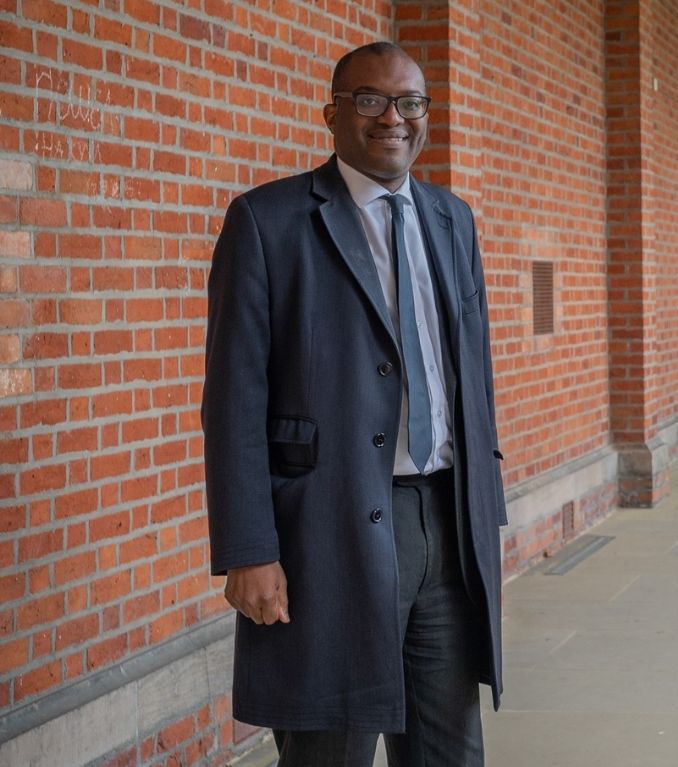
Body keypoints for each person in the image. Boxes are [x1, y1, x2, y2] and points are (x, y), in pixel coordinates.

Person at [203, 41, 507, 767]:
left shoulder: (452, 219)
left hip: (446, 522)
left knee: (448, 752)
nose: (392, 118)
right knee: (328, 748)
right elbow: (233, 399)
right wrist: (249, 548)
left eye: (410, 103)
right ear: (333, 114)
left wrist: (486, 506)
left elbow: (474, 372)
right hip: (327, 528)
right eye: (370, 100)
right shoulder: (267, 221)